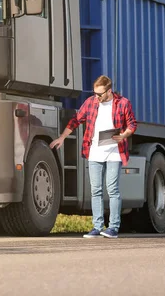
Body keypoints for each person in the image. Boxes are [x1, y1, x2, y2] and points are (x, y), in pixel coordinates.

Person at [50, 75, 137, 239]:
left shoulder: (123, 103)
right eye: (95, 93)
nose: (97, 97)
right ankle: (97, 227)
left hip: (114, 152)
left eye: (100, 94)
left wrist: (124, 135)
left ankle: (113, 227)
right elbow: (76, 120)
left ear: (109, 91)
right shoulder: (90, 102)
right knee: (95, 190)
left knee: (112, 189)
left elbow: (132, 123)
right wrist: (62, 137)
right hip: (95, 152)